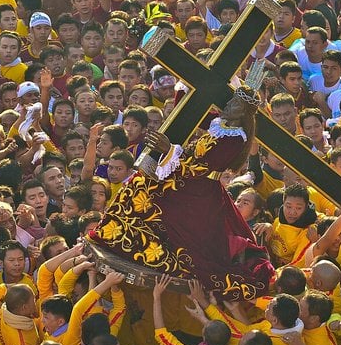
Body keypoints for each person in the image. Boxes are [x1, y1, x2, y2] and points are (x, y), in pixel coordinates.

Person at [88, 86, 275, 300]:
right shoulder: (220, 124)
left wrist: (169, 150)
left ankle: (143, 250)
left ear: (242, 113)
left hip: (198, 192)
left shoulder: (235, 139)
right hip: (184, 183)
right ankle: (112, 234)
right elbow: (192, 108)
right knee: (140, 182)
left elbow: (200, 167)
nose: (229, 105)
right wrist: (187, 85)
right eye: (231, 101)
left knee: (152, 200)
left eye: (235, 105)